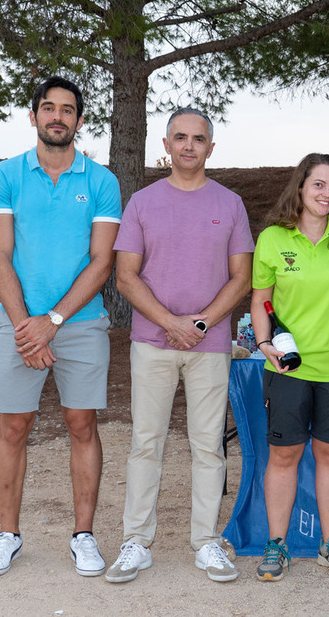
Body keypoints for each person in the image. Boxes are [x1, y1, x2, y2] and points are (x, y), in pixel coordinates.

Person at [104, 108, 254, 584]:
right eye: (180, 138)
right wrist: (171, 322)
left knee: (208, 446)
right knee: (146, 443)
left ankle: (206, 543)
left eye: (199, 138)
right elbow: (125, 275)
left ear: (211, 147)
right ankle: (135, 542)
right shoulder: (143, 203)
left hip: (209, 347)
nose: (189, 146)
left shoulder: (230, 204)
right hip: (152, 342)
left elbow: (242, 277)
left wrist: (201, 323)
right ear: (165, 145)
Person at [0, 76, 122, 577]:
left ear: (80, 120)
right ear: (35, 116)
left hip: (81, 324)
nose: (57, 117)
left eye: (67, 110)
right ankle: (7, 535)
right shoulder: (5, 175)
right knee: (13, 425)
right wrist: (26, 327)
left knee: (82, 424)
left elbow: (102, 262)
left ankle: (83, 535)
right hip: (17, 323)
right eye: (48, 108)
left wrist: (53, 322)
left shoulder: (102, 181)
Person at [250, 153, 329, 581]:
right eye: (319, 184)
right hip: (289, 368)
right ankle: (277, 544)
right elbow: (260, 300)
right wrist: (264, 343)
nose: (327, 194)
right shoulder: (272, 239)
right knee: (284, 455)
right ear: (301, 187)